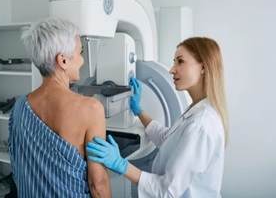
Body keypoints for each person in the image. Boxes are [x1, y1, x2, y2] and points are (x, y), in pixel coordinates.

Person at [86, 37, 228, 198]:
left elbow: (166, 191)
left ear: (203, 67)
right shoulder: (198, 110)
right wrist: (138, 110)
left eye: (180, 62)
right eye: (174, 62)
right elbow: (169, 140)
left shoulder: (201, 124)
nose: (172, 70)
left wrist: (121, 164)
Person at [8, 17, 111, 198]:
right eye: (80, 52)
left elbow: (17, 169)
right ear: (63, 60)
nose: (82, 60)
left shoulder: (18, 107)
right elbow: (98, 185)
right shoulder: (91, 109)